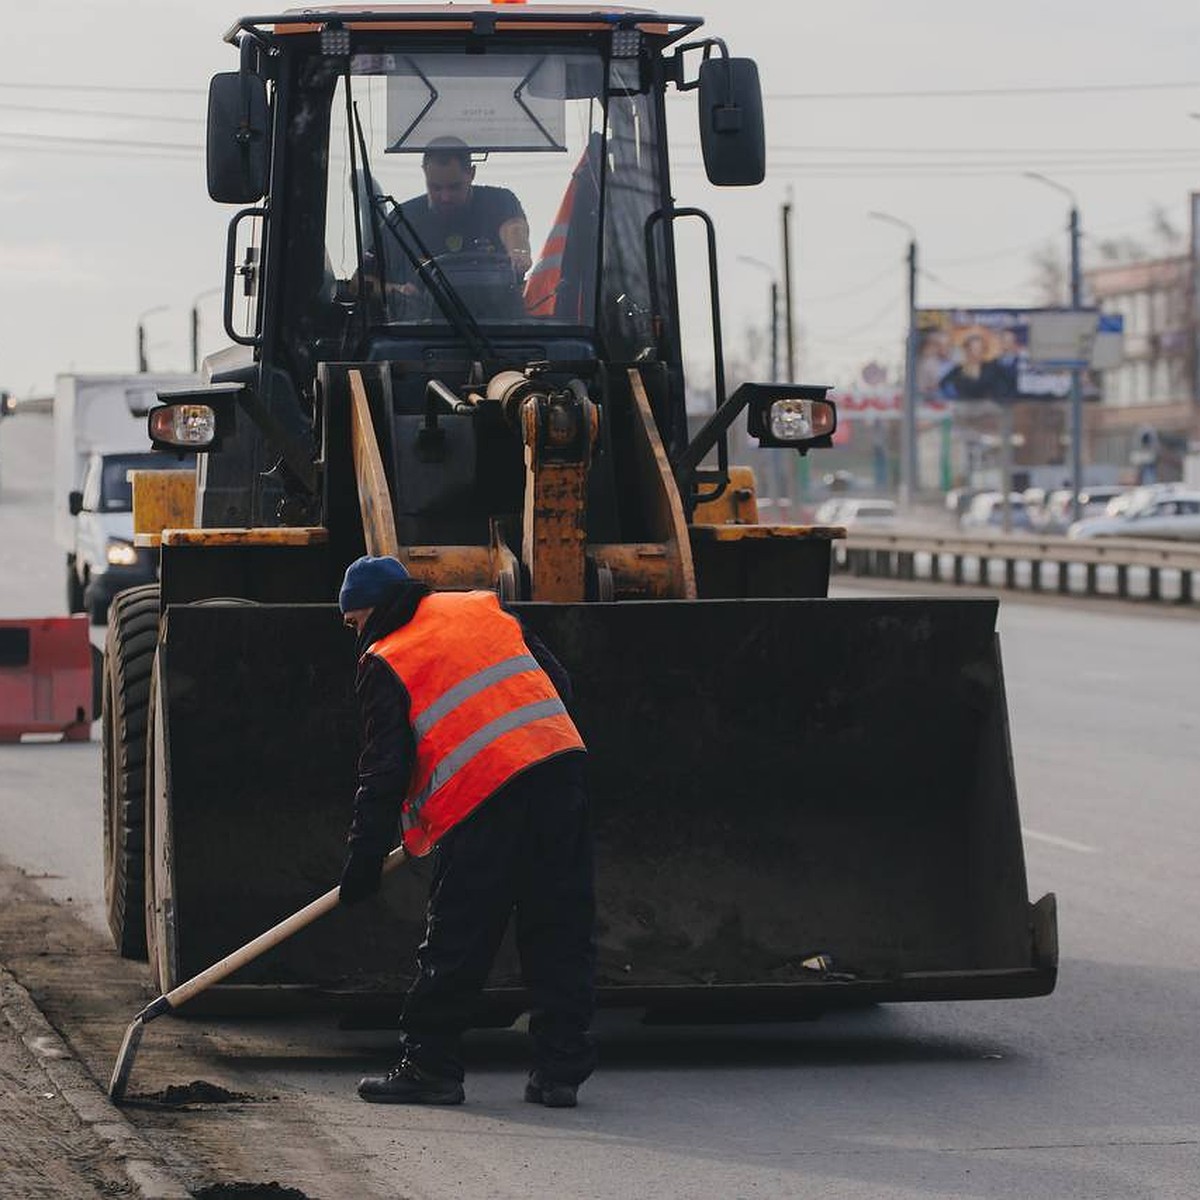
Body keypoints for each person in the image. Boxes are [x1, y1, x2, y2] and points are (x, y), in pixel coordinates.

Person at [337, 555, 597, 1108]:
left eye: (354, 621)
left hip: (484, 799)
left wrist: (363, 858)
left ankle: (429, 1067)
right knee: (559, 928)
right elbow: (560, 682)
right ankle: (559, 1072)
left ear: (373, 610)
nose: (354, 635)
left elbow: (383, 769)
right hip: (560, 775)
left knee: (458, 936)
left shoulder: (387, 657)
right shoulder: (482, 608)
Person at [385, 136, 532, 285]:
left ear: (472, 173)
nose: (445, 197)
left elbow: (514, 229)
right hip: (422, 307)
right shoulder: (402, 219)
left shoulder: (499, 201)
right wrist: (397, 291)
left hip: (495, 305)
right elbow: (363, 280)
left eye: (454, 187)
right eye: (435, 187)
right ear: (424, 172)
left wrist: (519, 252)